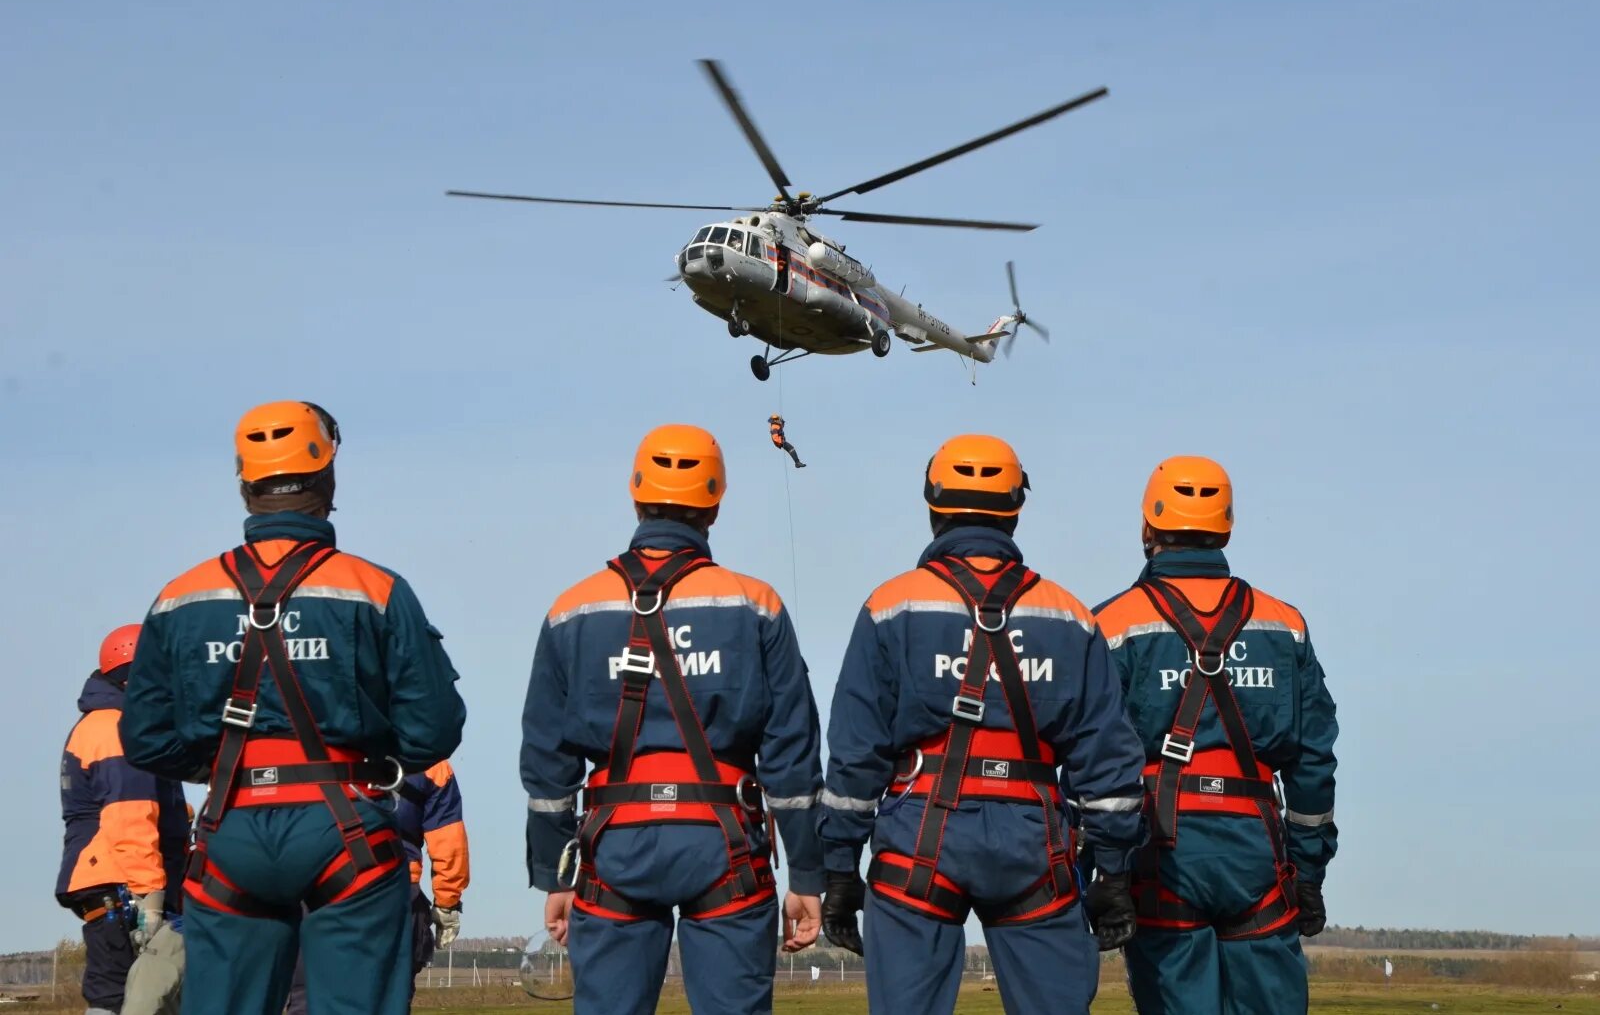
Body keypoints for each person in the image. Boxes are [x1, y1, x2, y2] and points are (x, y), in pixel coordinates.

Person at [120, 400, 466, 1015]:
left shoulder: (180, 597)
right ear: (328, 481)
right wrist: (372, 763)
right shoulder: (375, 588)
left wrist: (224, 767)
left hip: (233, 829)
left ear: (245, 485)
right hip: (346, 830)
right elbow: (435, 728)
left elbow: (146, 737)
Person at [818, 435, 1147, 1015]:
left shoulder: (889, 606)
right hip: (1033, 837)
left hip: (920, 835)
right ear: (1016, 510)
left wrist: (840, 867)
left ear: (933, 506)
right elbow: (1109, 761)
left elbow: (854, 753)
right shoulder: (1068, 615)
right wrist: (1114, 873)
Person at [522, 424, 824, 1015]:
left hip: (615, 847)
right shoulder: (754, 604)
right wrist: (807, 872)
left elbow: (546, 760)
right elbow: (792, 752)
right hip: (727, 845)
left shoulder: (572, 609)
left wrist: (551, 872)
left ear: (636, 494)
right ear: (714, 505)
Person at [1094, 456, 1338, 1015]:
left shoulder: (1112, 625)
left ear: (1147, 528)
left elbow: (1092, 759)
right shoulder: (1284, 625)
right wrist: (1308, 870)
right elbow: (1314, 762)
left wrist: (1107, 866)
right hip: (1256, 848)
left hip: (1163, 847)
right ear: (1226, 525)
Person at [57, 624, 189, 1015]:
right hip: (125, 886)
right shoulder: (118, 729)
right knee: (124, 996)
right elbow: (129, 817)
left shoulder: (106, 725)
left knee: (121, 992)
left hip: (113, 881)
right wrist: (150, 900)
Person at [284, 760, 471, 1014]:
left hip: (318, 894)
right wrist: (447, 903)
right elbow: (448, 839)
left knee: (308, 999)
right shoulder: (429, 762)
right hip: (396, 896)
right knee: (387, 1000)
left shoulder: (306, 746)